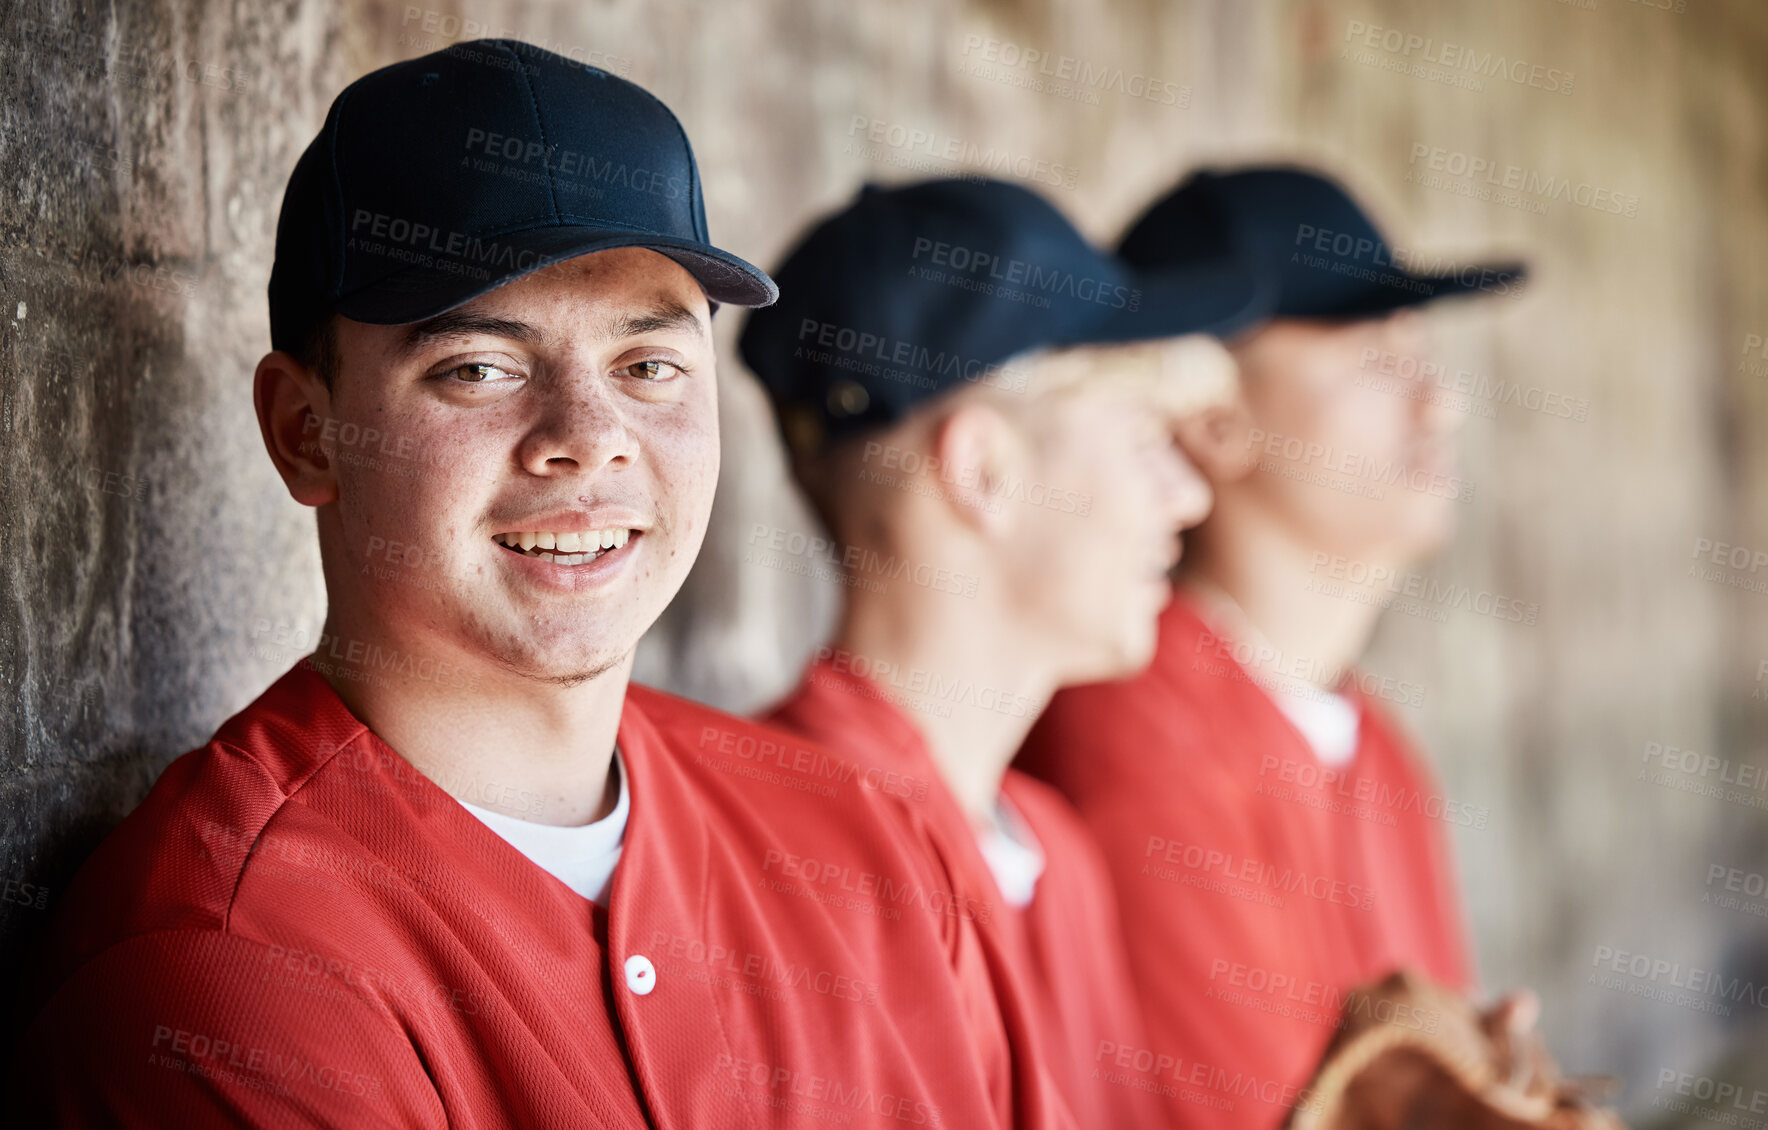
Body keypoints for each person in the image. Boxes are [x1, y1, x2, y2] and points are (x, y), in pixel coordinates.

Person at [15, 42, 1056, 1129]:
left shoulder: (862, 839)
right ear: (305, 431)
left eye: (646, 365)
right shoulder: (227, 972)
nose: (587, 440)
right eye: (479, 367)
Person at [740, 177, 1265, 1129]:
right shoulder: (780, 857)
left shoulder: (1053, 850)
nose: (1189, 497)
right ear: (983, 473)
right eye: (1145, 438)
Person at [1016, 165, 1529, 1129]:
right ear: (1214, 424)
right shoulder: (1128, 728)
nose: (1438, 403)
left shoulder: (1376, 742)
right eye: (1375, 352)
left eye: (1419, 351)